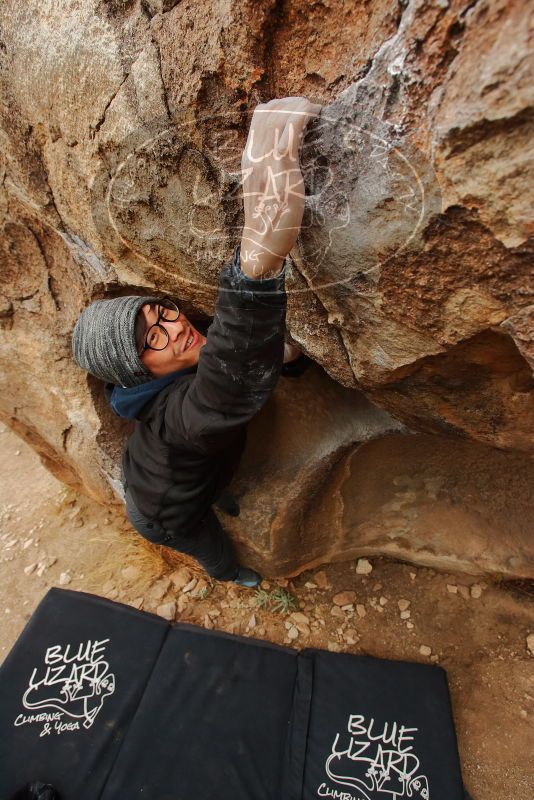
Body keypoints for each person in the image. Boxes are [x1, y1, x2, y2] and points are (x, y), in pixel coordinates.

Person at [71, 97, 320, 588]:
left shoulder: (169, 373)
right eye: (153, 339)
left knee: (206, 483)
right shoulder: (179, 421)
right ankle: (230, 577)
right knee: (206, 541)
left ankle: (211, 493)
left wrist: (284, 357)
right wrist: (255, 272)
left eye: (160, 311)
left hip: (164, 475)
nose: (175, 325)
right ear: (141, 372)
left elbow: (225, 352)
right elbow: (223, 390)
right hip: (163, 514)